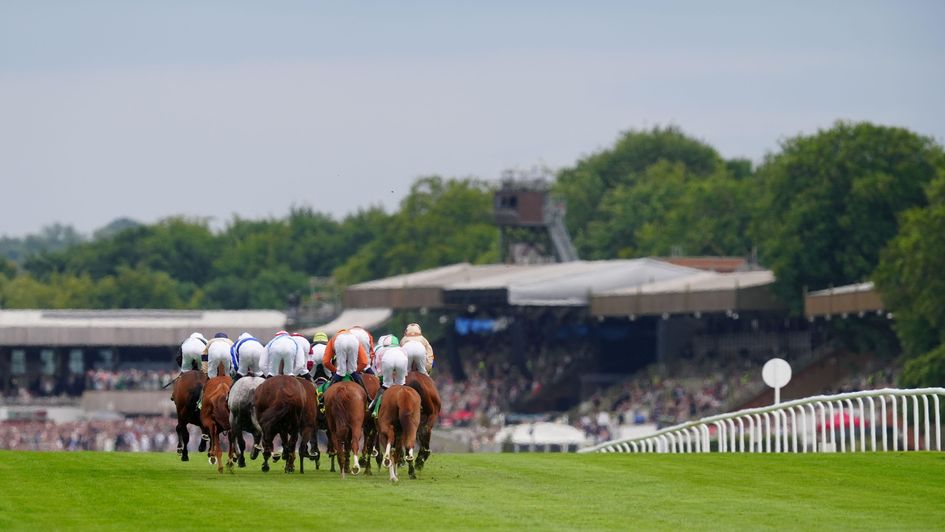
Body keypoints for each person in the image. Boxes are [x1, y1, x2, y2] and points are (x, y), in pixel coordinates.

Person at [368, 335, 407, 416]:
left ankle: (373, 407)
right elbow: (405, 367)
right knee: (401, 384)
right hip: (402, 360)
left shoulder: (381, 349)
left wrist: (381, 377)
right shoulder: (402, 349)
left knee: (386, 384)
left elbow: (379, 369)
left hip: (387, 361)